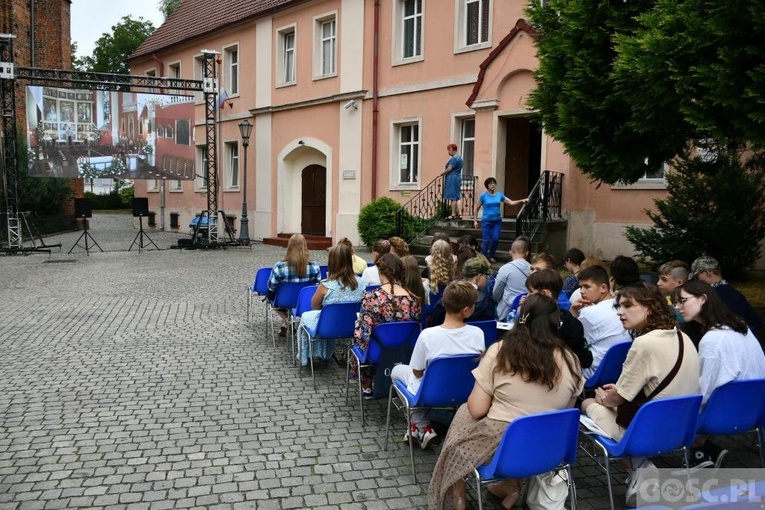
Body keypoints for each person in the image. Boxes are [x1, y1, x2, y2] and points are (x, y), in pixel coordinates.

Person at [429, 294, 583, 510]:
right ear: (555, 322)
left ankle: (459, 495)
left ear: (521, 318)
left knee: (465, 411)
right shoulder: (571, 359)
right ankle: (509, 488)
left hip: (502, 448)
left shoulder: (500, 352)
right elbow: (565, 412)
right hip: (550, 447)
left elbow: (477, 408)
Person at [582, 283, 700, 507]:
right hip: (680, 429)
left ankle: (640, 467)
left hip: (646, 432)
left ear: (650, 308)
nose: (619, 311)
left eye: (627, 305)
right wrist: (617, 392)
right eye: (618, 306)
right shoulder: (684, 337)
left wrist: (602, 399)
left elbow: (618, 399)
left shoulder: (644, 343)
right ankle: (640, 468)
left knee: (587, 402)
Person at [674, 280, 765, 469]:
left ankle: (701, 451)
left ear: (703, 299)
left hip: (720, 417)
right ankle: (704, 452)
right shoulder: (740, 326)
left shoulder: (712, 340)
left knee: (668, 409)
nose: (677, 307)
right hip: (753, 412)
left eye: (682, 301)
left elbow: (703, 393)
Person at [392, 281, 486, 449]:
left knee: (397, 371)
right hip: (464, 390)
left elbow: (417, 372)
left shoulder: (428, 335)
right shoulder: (478, 334)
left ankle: (420, 426)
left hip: (432, 392)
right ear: (466, 310)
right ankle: (416, 428)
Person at [351, 253, 422, 399]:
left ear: (380, 271)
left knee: (364, 338)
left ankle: (367, 384)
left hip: (378, 352)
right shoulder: (413, 300)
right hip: (405, 349)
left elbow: (363, 334)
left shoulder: (371, 298)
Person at [296, 244, 367, 366]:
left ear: (332, 262)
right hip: (352, 326)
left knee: (306, 317)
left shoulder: (326, 285)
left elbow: (314, 306)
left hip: (329, 325)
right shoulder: (362, 284)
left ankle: (305, 357)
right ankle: (326, 354)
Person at [526, 269, 592, 369]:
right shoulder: (573, 323)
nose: (527, 296)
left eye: (530, 292)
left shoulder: (533, 324)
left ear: (544, 294)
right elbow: (586, 359)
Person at [571, 266, 629, 379]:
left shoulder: (590, 312)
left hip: (593, 371)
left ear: (603, 288)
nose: (581, 291)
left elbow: (572, 340)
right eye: (580, 287)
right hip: (620, 370)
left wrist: (573, 311)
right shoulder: (623, 305)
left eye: (587, 287)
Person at [690, 255, 763, 338]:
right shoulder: (738, 295)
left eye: (697, 276)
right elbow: (756, 323)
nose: (697, 281)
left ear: (707, 273)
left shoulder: (708, 297)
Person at [267, 233, 321, 337]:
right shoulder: (314, 267)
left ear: (289, 247)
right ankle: (290, 322)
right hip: (305, 302)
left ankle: (287, 320)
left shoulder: (279, 267)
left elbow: (271, 287)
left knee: (271, 297)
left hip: (284, 300)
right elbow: (316, 287)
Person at [428, 256, 497, 327]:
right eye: (485, 276)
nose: (486, 280)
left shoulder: (446, 298)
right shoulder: (487, 303)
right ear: (479, 276)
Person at [472, 177, 528, 262]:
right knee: (486, 240)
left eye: (494, 183)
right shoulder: (483, 196)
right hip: (486, 221)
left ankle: (490, 255)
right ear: (487, 186)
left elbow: (511, 202)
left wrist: (521, 201)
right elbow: (476, 209)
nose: (493, 184)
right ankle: (483, 257)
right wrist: (475, 221)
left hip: (497, 221)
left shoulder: (499, 195)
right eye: (491, 183)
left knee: (495, 239)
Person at [492, 239, 531, 322]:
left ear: (510, 252)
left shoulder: (505, 269)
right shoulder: (533, 269)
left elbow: (496, 294)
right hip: (527, 311)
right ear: (527, 253)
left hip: (506, 314)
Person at [443, 143, 464, 219]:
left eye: (449, 150)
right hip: (458, 177)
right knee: (458, 196)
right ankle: (460, 213)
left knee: (453, 197)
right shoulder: (460, 158)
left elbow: (449, 169)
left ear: (453, 150)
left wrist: (442, 174)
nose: (448, 152)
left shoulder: (454, 158)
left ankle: (453, 214)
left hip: (452, 178)